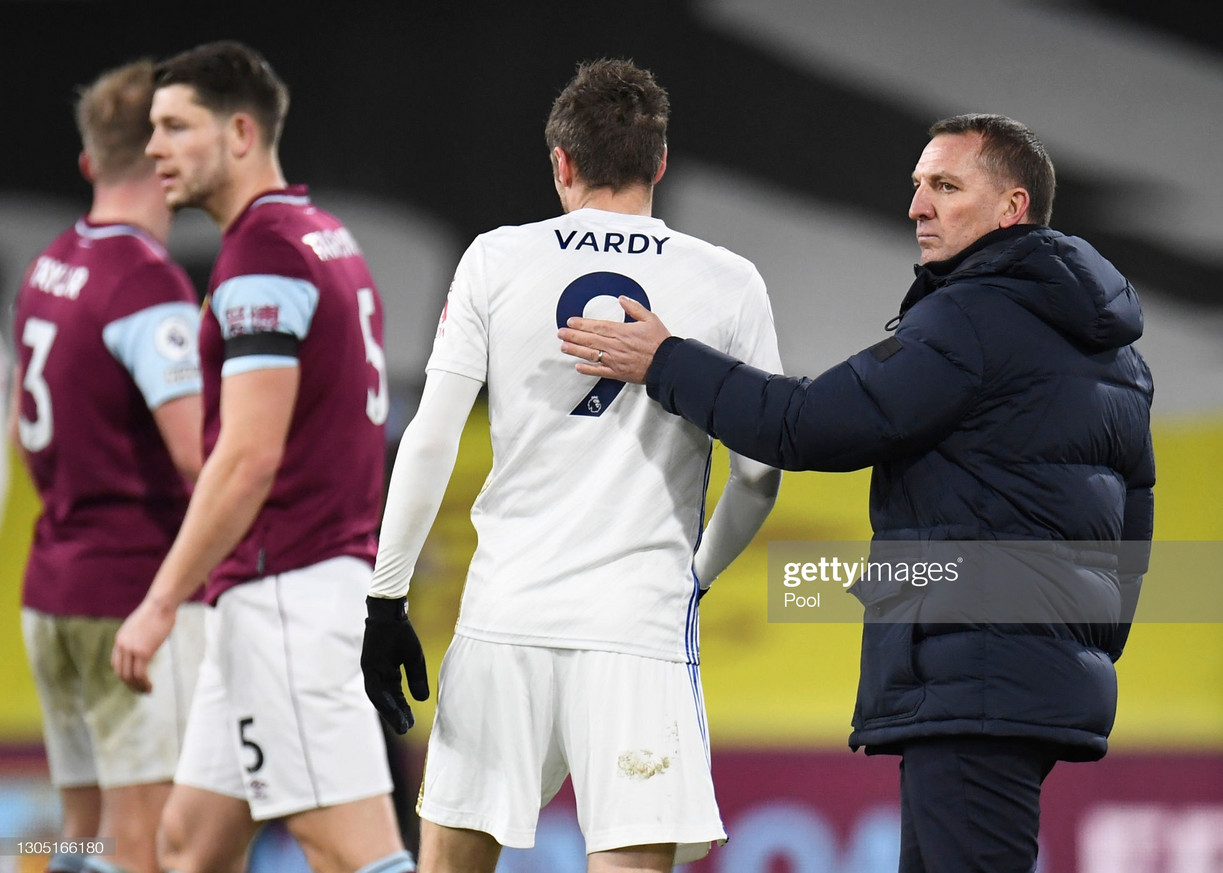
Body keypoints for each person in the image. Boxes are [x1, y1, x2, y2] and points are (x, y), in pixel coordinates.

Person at [559, 113, 1156, 872]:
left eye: (945, 185)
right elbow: (1133, 512)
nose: (918, 206)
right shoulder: (1111, 346)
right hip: (1018, 677)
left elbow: (807, 426)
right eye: (917, 185)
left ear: (1012, 207)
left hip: (976, 675)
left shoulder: (976, 317)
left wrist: (667, 361)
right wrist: (1078, 648)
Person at [359, 59, 783, 873]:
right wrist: (695, 577)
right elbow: (760, 474)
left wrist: (386, 597)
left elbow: (432, 437)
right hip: (636, 627)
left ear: (561, 162)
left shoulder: (495, 260)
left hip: (504, 615)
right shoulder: (729, 282)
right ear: (660, 162)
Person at [108, 42, 411, 873]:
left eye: (175, 126)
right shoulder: (320, 237)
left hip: (288, 595)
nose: (155, 147)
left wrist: (161, 599)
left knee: (355, 854)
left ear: (240, 132)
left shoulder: (262, 258)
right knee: (187, 844)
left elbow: (246, 459)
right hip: (280, 593)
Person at [9, 60, 205, 873]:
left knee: (82, 834)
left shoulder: (49, 266)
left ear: (90, 163)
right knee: (142, 847)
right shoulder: (146, 287)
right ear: (168, 164)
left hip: (52, 592)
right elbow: (200, 453)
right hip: (127, 605)